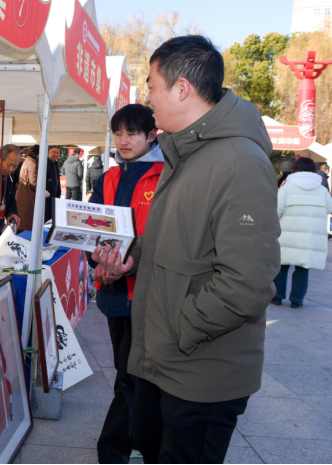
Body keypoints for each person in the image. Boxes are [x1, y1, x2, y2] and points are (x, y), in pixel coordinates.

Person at [92, 35, 281, 464]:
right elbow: (172, 237)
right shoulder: (187, 154)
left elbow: (247, 282)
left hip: (199, 371)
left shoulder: (239, 162)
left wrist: (181, 329)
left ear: (181, 88)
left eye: (151, 85)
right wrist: (132, 259)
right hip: (162, 360)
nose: (148, 97)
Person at [88, 104, 164, 464]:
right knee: (128, 372)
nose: (123, 140)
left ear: (152, 135)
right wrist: (100, 263)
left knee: (131, 377)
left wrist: (126, 266)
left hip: (149, 293)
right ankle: (136, 440)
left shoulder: (167, 175)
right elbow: (92, 227)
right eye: (118, 133)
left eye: (132, 133)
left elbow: (164, 238)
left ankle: (114, 449)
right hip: (114, 293)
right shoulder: (109, 177)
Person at [272, 157, 332, 308]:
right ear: (314, 170)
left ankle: (277, 297)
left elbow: (277, 210)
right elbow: (329, 209)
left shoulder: (287, 188)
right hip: (310, 235)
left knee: (282, 265)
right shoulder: (322, 190)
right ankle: (297, 300)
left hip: (287, 233)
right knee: (303, 268)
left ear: (295, 169)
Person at [16, 146, 59, 231]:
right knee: (27, 223)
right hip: (28, 196)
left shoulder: (30, 161)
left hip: (26, 195)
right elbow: (33, 182)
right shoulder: (32, 163)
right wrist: (43, 192)